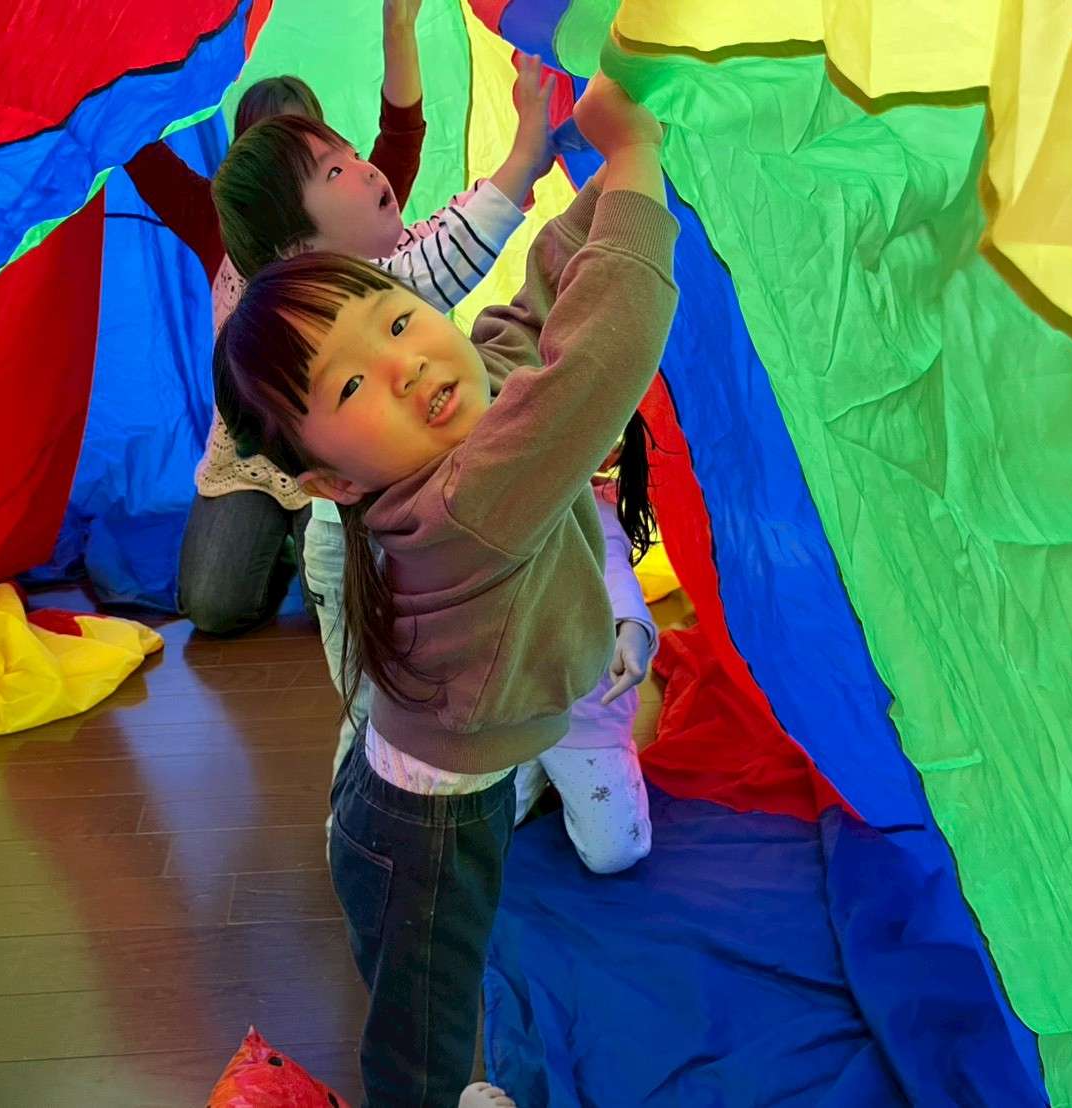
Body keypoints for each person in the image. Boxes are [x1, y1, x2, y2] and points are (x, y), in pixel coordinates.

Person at [214, 72, 678, 1108]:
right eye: (348, 386)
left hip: (409, 787)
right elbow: (601, 354)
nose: (405, 367)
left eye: (391, 322)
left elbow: (541, 309)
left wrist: (601, 189)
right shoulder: (467, 498)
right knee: (422, 1033)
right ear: (331, 481)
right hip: (421, 832)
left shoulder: (467, 411)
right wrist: (637, 158)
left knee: (423, 996)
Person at [210, 56, 556, 787]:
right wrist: (528, 150)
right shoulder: (352, 298)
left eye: (350, 152)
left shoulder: (380, 262)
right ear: (299, 253)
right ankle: (372, 802)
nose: (366, 168)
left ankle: (437, 779)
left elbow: (440, 222)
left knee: (411, 685)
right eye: (334, 171)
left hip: (391, 535)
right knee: (379, 698)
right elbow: (452, 251)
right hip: (357, 550)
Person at [124, 0, 429, 634]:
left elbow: (400, 136)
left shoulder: (351, 221)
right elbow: (138, 149)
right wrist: (111, 59)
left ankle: (306, 544)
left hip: (337, 455)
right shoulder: (218, 223)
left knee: (349, 605)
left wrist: (399, 28)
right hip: (254, 459)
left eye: (305, 152)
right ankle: (276, 547)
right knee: (214, 607)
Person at [511, 422, 660, 874]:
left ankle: (606, 772)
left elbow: (615, 577)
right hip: (508, 717)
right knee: (482, 827)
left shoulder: (594, 514)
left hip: (582, 716)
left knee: (614, 854)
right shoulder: (485, 503)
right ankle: (544, 776)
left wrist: (631, 630)